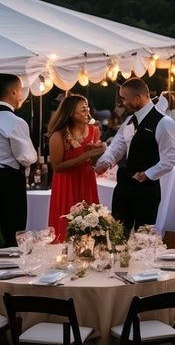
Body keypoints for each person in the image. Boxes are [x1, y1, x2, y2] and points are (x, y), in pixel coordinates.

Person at [94, 77, 175, 233]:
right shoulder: (128, 121)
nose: (122, 103)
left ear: (137, 98)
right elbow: (116, 148)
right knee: (117, 235)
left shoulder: (164, 122)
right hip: (124, 186)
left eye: (124, 99)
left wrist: (147, 174)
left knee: (143, 238)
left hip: (147, 189)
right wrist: (102, 164)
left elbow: (171, 158)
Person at [47, 93, 105, 231]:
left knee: (90, 225)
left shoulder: (94, 131)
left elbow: (94, 162)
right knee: (67, 226)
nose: (88, 112)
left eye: (88, 108)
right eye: (83, 109)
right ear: (71, 113)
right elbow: (57, 167)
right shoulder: (58, 135)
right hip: (67, 184)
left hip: (86, 182)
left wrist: (99, 151)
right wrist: (86, 155)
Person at [0, 73, 38, 246]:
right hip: (7, 181)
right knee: (13, 231)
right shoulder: (14, 121)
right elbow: (26, 157)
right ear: (14, 92)